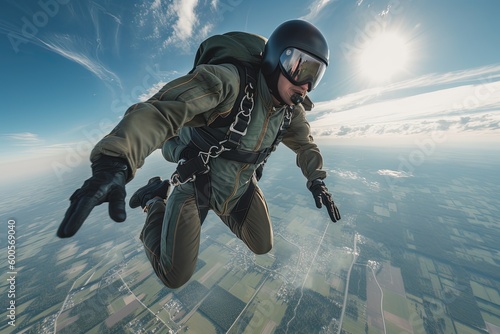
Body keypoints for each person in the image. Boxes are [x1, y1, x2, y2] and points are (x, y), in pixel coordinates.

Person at [57, 19, 341, 289]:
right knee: (174, 275)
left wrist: (316, 180)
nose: (305, 85)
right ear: (276, 59)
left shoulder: (291, 112)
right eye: (300, 68)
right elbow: (162, 110)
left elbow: (305, 145)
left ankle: (220, 205)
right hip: (197, 183)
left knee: (263, 244)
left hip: (239, 187)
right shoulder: (228, 83)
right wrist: (115, 161)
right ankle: (155, 198)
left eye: (315, 75)